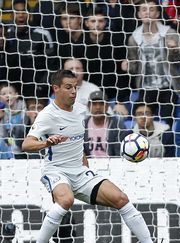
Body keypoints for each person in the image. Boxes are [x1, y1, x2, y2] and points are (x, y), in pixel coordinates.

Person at [21, 70, 152, 243]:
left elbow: (77, 142)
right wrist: (46, 143)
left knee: (121, 199)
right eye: (68, 87)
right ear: (56, 89)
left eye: (75, 87)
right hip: (56, 171)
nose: (73, 91)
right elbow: (26, 144)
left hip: (80, 172)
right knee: (66, 200)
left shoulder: (81, 111)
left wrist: (85, 166)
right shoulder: (47, 115)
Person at [84, 91, 129, 158]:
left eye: (101, 104)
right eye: (94, 104)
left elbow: (119, 154)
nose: (98, 107)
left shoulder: (118, 126)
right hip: (89, 166)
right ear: (88, 106)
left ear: (107, 106)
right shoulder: (83, 126)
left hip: (112, 166)